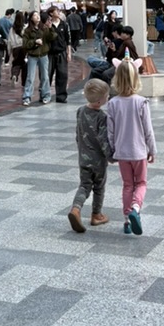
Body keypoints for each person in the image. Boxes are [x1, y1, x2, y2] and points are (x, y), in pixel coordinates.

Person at [106, 59, 157, 235]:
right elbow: (148, 130)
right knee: (141, 183)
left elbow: (110, 132)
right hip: (139, 151)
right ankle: (136, 208)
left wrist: (112, 151)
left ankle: (127, 220)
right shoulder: (142, 102)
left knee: (127, 185)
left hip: (122, 152)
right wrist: (152, 149)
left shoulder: (112, 103)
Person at [67, 78, 112, 234]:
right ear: (100, 101)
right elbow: (103, 140)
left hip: (83, 158)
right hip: (98, 161)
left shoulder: (80, 111)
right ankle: (96, 215)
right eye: (107, 96)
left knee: (84, 186)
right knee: (99, 187)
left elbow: (78, 133)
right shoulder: (102, 117)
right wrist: (111, 156)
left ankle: (76, 209)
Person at [22, 10, 55, 106]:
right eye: (35, 15)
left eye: (38, 15)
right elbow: (25, 44)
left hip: (43, 55)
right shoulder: (28, 30)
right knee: (30, 77)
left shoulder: (44, 28)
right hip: (32, 56)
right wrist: (35, 42)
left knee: (45, 76)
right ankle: (27, 97)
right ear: (31, 18)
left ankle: (46, 95)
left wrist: (51, 28)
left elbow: (52, 37)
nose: (37, 17)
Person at [47, 5, 71, 103]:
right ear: (51, 13)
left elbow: (68, 40)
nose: (59, 12)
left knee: (62, 74)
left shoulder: (64, 25)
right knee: (48, 74)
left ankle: (61, 96)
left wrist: (69, 53)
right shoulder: (48, 25)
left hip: (62, 52)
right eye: (56, 10)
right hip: (50, 53)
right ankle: (45, 95)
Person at [7, 9, 27, 86]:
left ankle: (14, 75)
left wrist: (9, 51)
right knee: (25, 64)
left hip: (15, 48)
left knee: (16, 63)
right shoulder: (25, 28)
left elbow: (9, 40)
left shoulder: (12, 29)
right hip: (24, 48)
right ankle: (24, 82)